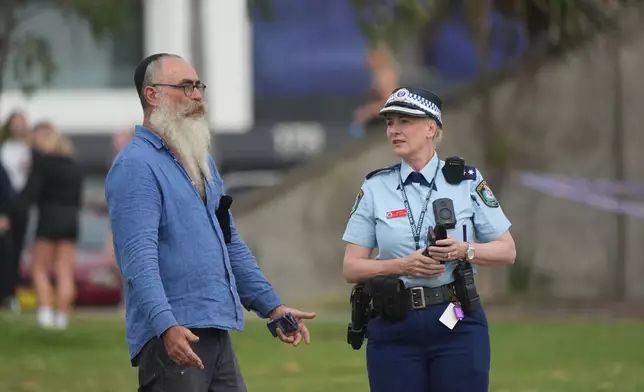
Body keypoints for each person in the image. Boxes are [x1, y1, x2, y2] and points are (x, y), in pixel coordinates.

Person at [105, 53, 316, 392]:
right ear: (152, 95)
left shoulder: (200, 164)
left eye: (198, 86)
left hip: (215, 331)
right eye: (185, 87)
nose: (197, 95)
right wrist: (165, 326)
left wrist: (272, 306)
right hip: (173, 337)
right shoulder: (135, 165)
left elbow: (229, 241)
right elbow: (137, 261)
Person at [342, 86, 516, 392]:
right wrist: (402, 265)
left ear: (430, 127)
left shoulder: (466, 182)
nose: (394, 130)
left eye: (404, 121)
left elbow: (507, 251)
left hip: (456, 319)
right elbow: (352, 268)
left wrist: (466, 250)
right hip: (393, 326)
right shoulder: (374, 187)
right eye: (389, 122)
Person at [18, 123, 84, 329]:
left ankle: (45, 311)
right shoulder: (75, 167)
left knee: (39, 268)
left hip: (48, 220)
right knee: (65, 270)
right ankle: (62, 315)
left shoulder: (43, 165)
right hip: (71, 221)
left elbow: (29, 196)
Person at [0, 110, 32, 307]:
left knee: (18, 248)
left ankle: (11, 292)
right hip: (6, 203)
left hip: (22, 202)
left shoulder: (29, 148)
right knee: (6, 249)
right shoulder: (4, 148)